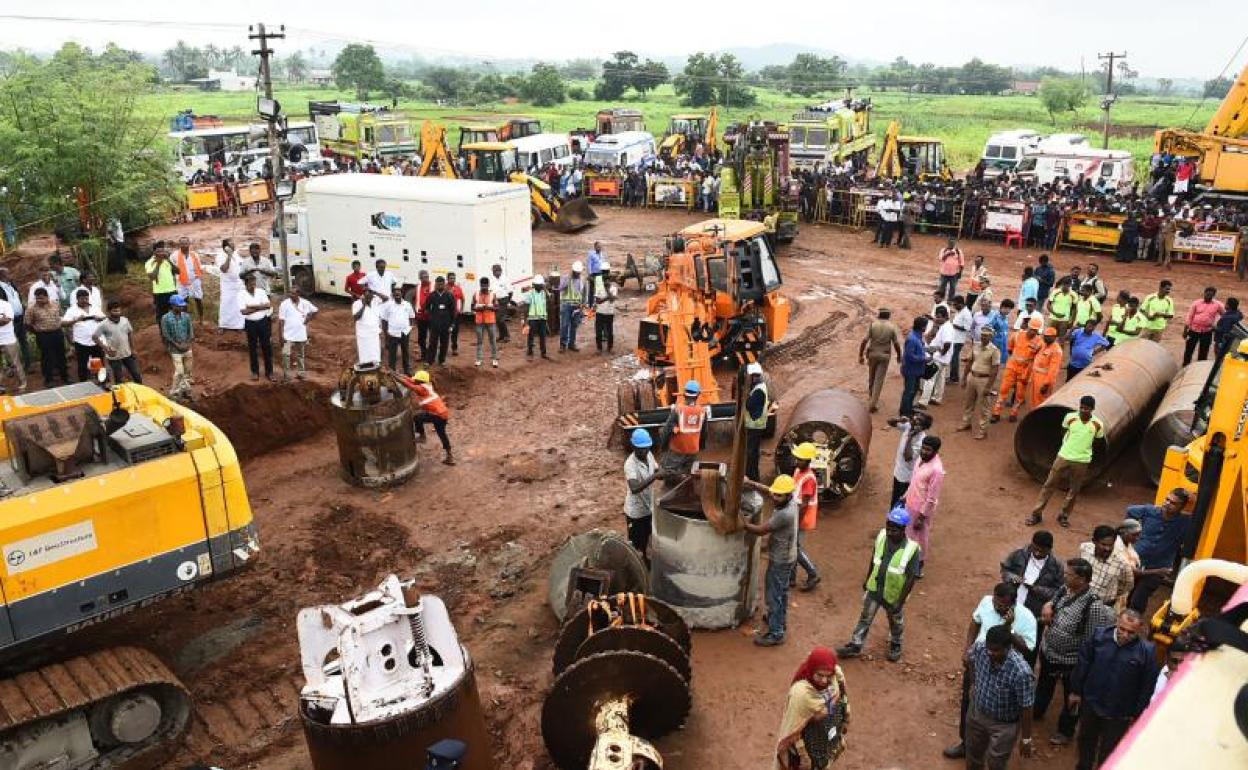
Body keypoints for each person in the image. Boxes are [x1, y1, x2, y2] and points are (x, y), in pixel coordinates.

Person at [944, 582, 1038, 761]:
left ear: (1013, 604)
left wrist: (1009, 629)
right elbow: (975, 621)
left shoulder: (1027, 618)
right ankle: (966, 744)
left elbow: (1028, 649)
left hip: (1005, 672)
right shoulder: (987, 602)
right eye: (996, 602)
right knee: (969, 702)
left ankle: (995, 749)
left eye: (1002, 605)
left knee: (1000, 710)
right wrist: (967, 649)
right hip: (979, 663)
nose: (996, 607)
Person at [1033, 558, 1116, 747]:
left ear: (1081, 579)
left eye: (1068, 575)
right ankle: (1037, 712)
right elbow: (1053, 601)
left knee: (1072, 697)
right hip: (1049, 653)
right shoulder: (1065, 589)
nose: (1064, 577)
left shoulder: (1093, 606)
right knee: (1044, 685)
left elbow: (1090, 641)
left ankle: (1065, 731)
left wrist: (1083, 667)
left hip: (1071, 662)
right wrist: (1048, 606)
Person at [1070, 609, 1159, 769]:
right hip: (1091, 703)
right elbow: (1083, 664)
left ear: (1140, 630)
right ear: (1117, 622)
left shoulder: (1147, 652)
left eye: (1131, 632)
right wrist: (1076, 691)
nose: (1125, 635)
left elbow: (1147, 687)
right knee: (1085, 740)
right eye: (1122, 629)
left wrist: (1137, 715)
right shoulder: (1098, 636)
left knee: (1110, 750)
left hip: (1119, 714)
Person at [837, 507, 921, 662]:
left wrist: (900, 601)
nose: (889, 532)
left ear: (903, 530)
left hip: (893, 594)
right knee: (865, 617)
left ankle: (896, 644)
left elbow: (911, 578)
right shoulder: (882, 536)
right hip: (875, 588)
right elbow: (874, 558)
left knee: (895, 621)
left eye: (894, 530)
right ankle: (856, 644)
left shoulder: (912, 550)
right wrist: (867, 578)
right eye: (888, 527)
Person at [961, 624, 1036, 769]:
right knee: (973, 755)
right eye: (989, 648)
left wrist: (1026, 739)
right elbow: (970, 660)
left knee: (996, 762)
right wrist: (973, 683)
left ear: (1008, 648)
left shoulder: (1021, 672)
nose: (990, 653)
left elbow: (1026, 706)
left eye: (996, 650)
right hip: (977, 713)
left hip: (1004, 725)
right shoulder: (980, 648)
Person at [742, 474, 800, 647]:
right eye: (775, 494)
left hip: (780, 560)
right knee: (780, 592)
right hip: (785, 557)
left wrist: (742, 523)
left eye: (778, 495)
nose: (774, 497)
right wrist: (750, 483)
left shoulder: (785, 514)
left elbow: (760, 530)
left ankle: (776, 633)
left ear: (788, 495)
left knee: (774, 595)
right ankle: (779, 621)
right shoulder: (789, 501)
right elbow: (769, 491)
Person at [1028, 394, 1103, 527]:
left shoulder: (1097, 424)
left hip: (1082, 460)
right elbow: (1064, 431)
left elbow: (1097, 440)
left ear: (1092, 409)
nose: (1083, 410)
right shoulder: (1070, 418)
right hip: (1063, 456)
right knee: (1049, 485)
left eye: (1087, 409)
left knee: (1073, 490)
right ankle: (1036, 514)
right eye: (1082, 407)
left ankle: (1064, 516)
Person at [774, 648, 851, 769]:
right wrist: (804, 756)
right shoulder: (801, 693)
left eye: (828, 676)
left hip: (826, 737)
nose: (824, 680)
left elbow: (842, 695)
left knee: (824, 761)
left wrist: (845, 718)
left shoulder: (835, 674)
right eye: (819, 675)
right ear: (811, 670)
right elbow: (794, 729)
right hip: (807, 745)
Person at [1125, 488, 1192, 613]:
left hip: (1159, 568)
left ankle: (1132, 621)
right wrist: (1131, 531)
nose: (1167, 503)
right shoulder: (1150, 510)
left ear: (1182, 507)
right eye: (1167, 499)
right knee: (1126, 594)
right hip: (1137, 561)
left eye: (1173, 503)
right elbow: (1130, 511)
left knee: (1138, 600)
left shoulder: (1185, 522)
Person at [1001, 530, 1065, 621]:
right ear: (1032, 544)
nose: (1037, 553)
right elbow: (1005, 569)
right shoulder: (1019, 554)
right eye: (1035, 549)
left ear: (1049, 549)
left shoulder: (1057, 566)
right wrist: (1013, 577)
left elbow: (1059, 591)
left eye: (1042, 551)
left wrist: (1037, 589)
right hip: (1010, 604)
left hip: (1033, 613)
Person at [903, 435, 943, 576]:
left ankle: (918, 566)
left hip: (920, 510)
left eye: (928, 450)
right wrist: (905, 496)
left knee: (920, 538)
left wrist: (922, 516)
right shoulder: (920, 459)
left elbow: (932, 498)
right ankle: (908, 561)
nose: (924, 452)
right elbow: (914, 480)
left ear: (935, 451)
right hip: (910, 504)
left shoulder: (937, 470)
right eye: (923, 448)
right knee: (908, 535)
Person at [659, 380, 710, 481]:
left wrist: (663, 446)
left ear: (684, 394)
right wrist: (700, 447)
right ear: (698, 394)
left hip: (677, 449)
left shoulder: (678, 410)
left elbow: (666, 430)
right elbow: (704, 432)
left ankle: (672, 491)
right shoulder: (702, 411)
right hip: (693, 450)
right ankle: (686, 490)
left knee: (669, 472)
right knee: (688, 474)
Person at [993, 318, 1043, 422]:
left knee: (1020, 394)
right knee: (1003, 390)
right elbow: (1010, 349)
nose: (1033, 332)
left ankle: (1014, 413)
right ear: (1028, 327)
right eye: (1032, 329)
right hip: (1012, 367)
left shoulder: (1039, 342)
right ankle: (996, 413)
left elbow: (1038, 357)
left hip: (1025, 370)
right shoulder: (1016, 335)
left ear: (1038, 331)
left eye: (1035, 330)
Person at [402, 369, 455, 466]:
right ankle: (449, 456)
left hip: (437, 414)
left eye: (416, 380)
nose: (414, 381)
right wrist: (396, 374)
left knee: (417, 418)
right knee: (442, 434)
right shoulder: (427, 385)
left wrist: (397, 377)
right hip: (443, 414)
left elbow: (408, 384)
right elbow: (410, 380)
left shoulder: (422, 389)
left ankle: (422, 436)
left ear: (419, 381)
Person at [958, 325, 1001, 440]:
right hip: (972, 377)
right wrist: (964, 378)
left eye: (986, 336)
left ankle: (983, 431)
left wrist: (989, 386)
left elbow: (995, 370)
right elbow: (969, 362)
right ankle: (966, 423)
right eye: (982, 335)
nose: (983, 337)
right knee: (968, 402)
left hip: (984, 379)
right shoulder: (975, 346)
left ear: (991, 337)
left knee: (984, 407)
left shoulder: (994, 350)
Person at [623, 428, 660, 559]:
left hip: (648, 508)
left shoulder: (649, 455)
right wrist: (655, 476)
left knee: (648, 538)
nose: (644, 451)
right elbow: (634, 488)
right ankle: (639, 569)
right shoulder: (630, 464)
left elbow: (656, 470)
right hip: (635, 513)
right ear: (633, 447)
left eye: (646, 448)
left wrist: (665, 474)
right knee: (637, 546)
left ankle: (647, 562)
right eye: (641, 449)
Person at [790, 442, 822, 592]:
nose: (797, 461)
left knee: (795, 548)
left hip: (802, 517)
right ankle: (791, 578)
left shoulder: (809, 478)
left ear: (808, 461)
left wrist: (795, 519)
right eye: (796, 458)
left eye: (800, 459)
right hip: (796, 514)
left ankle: (813, 573)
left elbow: (804, 504)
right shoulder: (798, 471)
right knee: (792, 546)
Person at [1080, 525, 1135, 607]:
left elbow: (1128, 585)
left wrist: (1111, 594)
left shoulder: (1122, 564)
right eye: (1104, 544)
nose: (1107, 549)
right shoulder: (1085, 548)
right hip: (1080, 598)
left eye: (1111, 545)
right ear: (1094, 541)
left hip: (1103, 605)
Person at [61, 289, 105, 383]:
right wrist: (76, 320)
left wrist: (99, 318)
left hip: (96, 341)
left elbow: (104, 318)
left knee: (97, 362)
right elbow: (63, 323)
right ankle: (83, 384)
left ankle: (101, 382)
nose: (84, 300)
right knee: (82, 365)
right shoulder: (72, 310)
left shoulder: (95, 307)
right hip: (81, 343)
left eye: (86, 298)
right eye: (82, 298)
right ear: (77, 299)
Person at [887, 412, 931, 505]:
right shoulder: (908, 426)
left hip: (907, 477)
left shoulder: (921, 441)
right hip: (898, 471)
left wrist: (910, 437)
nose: (915, 420)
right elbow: (889, 422)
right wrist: (899, 420)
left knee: (901, 502)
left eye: (918, 421)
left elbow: (907, 457)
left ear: (923, 427)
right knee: (895, 498)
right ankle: (892, 516)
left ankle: (895, 517)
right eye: (915, 418)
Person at [27, 288, 68, 386]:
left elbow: (61, 316)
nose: (39, 301)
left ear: (47, 297)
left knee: (61, 355)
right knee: (47, 357)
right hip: (43, 336)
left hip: (57, 333)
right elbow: (28, 323)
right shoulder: (31, 308)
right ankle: (49, 380)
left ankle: (65, 377)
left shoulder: (55, 304)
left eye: (41, 298)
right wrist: (37, 331)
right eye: (37, 298)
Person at [276, 285, 318, 381]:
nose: (291, 295)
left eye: (293, 293)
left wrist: (308, 319)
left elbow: (315, 310)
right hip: (287, 335)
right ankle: (286, 375)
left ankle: (301, 373)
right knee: (286, 355)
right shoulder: (284, 304)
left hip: (301, 334)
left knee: (300, 355)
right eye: (290, 293)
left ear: (298, 294)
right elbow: (281, 321)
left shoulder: (305, 303)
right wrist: (280, 335)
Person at [238, 274, 274, 381]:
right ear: (246, 284)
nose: (253, 285)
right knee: (252, 348)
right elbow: (244, 311)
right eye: (251, 283)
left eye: (254, 283)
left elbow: (268, 305)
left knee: (266, 347)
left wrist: (252, 307)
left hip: (263, 322)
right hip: (250, 323)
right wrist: (260, 307)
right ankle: (255, 372)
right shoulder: (241, 294)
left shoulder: (261, 292)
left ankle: (270, 372)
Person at [160, 295, 194, 401]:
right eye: (179, 306)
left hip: (187, 348)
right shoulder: (165, 318)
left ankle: (185, 390)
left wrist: (188, 343)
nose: (182, 308)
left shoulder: (186, 317)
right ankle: (173, 393)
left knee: (188, 371)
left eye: (182, 306)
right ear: (173, 306)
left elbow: (191, 331)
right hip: (175, 350)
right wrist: (177, 345)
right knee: (179, 372)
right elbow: (166, 335)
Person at [743, 362, 771, 481]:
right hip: (756, 425)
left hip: (755, 425)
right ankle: (752, 474)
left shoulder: (758, 390)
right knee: (752, 451)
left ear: (754, 376)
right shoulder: (760, 386)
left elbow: (749, 405)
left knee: (751, 452)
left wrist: (747, 397)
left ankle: (752, 476)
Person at [1182, 286, 1224, 365]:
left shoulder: (1218, 305)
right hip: (1193, 331)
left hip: (1207, 332)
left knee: (1203, 352)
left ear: (1213, 295)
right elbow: (1189, 317)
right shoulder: (1196, 303)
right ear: (1204, 293)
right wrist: (1185, 331)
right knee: (1188, 351)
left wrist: (1217, 325)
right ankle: (1184, 367)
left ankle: (1199, 369)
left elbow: (1224, 315)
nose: (1207, 296)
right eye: (1206, 294)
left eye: (1210, 295)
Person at [379, 285, 415, 375]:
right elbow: (384, 320)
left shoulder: (407, 304)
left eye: (399, 291)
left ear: (402, 293)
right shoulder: (388, 306)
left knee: (405, 352)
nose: (397, 293)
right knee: (392, 354)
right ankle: (392, 372)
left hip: (405, 333)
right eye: (395, 292)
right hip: (393, 334)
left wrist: (410, 328)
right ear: (393, 295)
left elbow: (412, 317)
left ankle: (407, 370)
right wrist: (386, 334)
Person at [0, 267, 30, 372]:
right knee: (9, 344)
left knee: (23, 341)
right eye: (8, 273)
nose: (10, 274)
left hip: (20, 318)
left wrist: (23, 308)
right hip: (9, 321)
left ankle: (28, 365)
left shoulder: (12, 285)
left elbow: (18, 298)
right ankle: (12, 367)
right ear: (2, 275)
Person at [1028, 327, 1063, 408]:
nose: (1045, 337)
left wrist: (1046, 384)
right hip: (1035, 377)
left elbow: (1053, 370)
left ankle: (1039, 418)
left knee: (1041, 401)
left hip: (1044, 380)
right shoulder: (1044, 345)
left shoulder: (1056, 351)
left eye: (1048, 336)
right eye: (1045, 335)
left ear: (1054, 337)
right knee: (1034, 399)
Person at [424, 276, 455, 366]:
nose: (440, 285)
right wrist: (431, 317)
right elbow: (426, 308)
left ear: (444, 284)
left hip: (446, 324)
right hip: (434, 324)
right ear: (436, 284)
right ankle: (430, 361)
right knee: (432, 343)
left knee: (444, 343)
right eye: (438, 283)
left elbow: (453, 311)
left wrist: (452, 324)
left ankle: (442, 361)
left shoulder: (449, 295)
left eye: (442, 283)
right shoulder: (432, 295)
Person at [900, 316, 927, 416]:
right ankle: (904, 412)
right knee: (909, 391)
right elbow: (909, 356)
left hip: (916, 370)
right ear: (922, 327)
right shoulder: (912, 339)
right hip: (910, 370)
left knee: (914, 390)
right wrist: (924, 358)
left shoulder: (918, 337)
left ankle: (909, 408)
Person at [216, 239, 245, 332]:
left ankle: (238, 326)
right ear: (226, 247)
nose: (234, 247)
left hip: (238, 284)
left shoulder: (236, 254)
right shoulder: (220, 256)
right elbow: (224, 269)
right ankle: (223, 325)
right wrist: (228, 256)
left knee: (238, 305)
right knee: (226, 304)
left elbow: (241, 265)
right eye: (231, 245)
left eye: (234, 245)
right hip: (227, 285)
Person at [173, 237, 205, 322]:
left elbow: (199, 267)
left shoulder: (194, 254)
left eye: (186, 243)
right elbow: (172, 268)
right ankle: (185, 320)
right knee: (183, 301)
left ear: (189, 244)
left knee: (198, 299)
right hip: (182, 282)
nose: (184, 245)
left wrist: (199, 278)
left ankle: (201, 319)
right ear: (179, 245)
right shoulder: (174, 255)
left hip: (194, 281)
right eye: (182, 243)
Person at [0, 291, 26, 393]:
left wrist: (3, 320)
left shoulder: (6, 305)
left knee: (15, 363)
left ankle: (23, 384)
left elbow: (7, 320)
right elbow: (3, 320)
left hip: (8, 339)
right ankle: (1, 386)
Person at [1150, 638, 1189, 705]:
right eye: (1174, 661)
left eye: (1181, 662)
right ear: (1166, 658)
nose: (1177, 667)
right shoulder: (1155, 680)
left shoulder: (1188, 678)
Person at [558, 261, 588, 352]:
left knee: (574, 325)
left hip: (577, 306)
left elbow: (584, 293)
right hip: (566, 305)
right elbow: (560, 288)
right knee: (565, 325)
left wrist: (583, 304)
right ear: (573, 271)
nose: (578, 274)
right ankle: (563, 345)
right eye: (576, 272)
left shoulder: (582, 280)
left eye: (579, 273)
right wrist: (567, 281)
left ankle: (571, 344)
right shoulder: (566, 278)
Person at [145, 244, 179, 318]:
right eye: (158, 251)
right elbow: (152, 277)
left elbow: (178, 271)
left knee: (176, 313)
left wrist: (169, 260)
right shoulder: (149, 262)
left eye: (163, 251)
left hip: (172, 290)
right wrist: (158, 264)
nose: (161, 253)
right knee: (162, 315)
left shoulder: (167, 260)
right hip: (159, 293)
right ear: (154, 252)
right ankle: (163, 329)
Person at [472, 276, 499, 368]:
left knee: (493, 341)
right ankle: (479, 359)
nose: (484, 287)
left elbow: (497, 307)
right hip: (479, 321)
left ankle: (494, 359)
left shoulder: (493, 294)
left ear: (488, 285)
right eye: (482, 285)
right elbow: (472, 307)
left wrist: (490, 307)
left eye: (485, 285)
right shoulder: (475, 294)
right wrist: (478, 308)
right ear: (480, 285)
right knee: (479, 341)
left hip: (491, 321)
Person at [352, 288, 384, 366]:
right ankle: (365, 367)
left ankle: (375, 367)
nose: (369, 299)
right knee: (365, 355)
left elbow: (386, 299)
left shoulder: (375, 303)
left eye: (370, 297)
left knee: (375, 354)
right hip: (363, 335)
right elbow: (356, 317)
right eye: (367, 297)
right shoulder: (357, 304)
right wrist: (364, 305)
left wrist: (375, 292)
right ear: (363, 296)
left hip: (374, 334)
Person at [521, 275, 550, 359]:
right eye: (539, 285)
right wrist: (524, 320)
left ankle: (543, 352)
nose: (541, 286)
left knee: (542, 335)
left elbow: (550, 299)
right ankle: (530, 351)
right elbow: (526, 307)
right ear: (535, 285)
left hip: (542, 318)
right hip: (532, 318)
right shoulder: (529, 293)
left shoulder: (544, 293)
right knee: (531, 335)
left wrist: (545, 289)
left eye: (541, 285)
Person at [948, 295, 974, 384]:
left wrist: (955, 326)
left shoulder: (967, 313)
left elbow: (967, 328)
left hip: (959, 340)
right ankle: (952, 376)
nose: (954, 306)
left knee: (954, 359)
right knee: (952, 358)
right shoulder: (959, 311)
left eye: (955, 304)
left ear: (961, 304)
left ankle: (954, 378)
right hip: (954, 338)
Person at [491, 264, 512, 343]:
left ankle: (507, 336)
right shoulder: (493, 280)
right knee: (497, 319)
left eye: (496, 271)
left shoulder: (505, 279)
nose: (494, 272)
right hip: (496, 301)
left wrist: (507, 301)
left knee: (501, 319)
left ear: (500, 271)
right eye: (493, 271)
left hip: (503, 300)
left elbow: (510, 292)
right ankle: (501, 336)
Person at [447, 271, 466, 357]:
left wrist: (461, 309)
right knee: (445, 332)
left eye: (454, 278)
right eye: (451, 278)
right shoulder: (444, 287)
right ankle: (443, 348)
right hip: (446, 314)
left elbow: (463, 299)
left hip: (456, 314)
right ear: (447, 279)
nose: (452, 280)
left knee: (455, 332)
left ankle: (454, 348)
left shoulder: (458, 288)